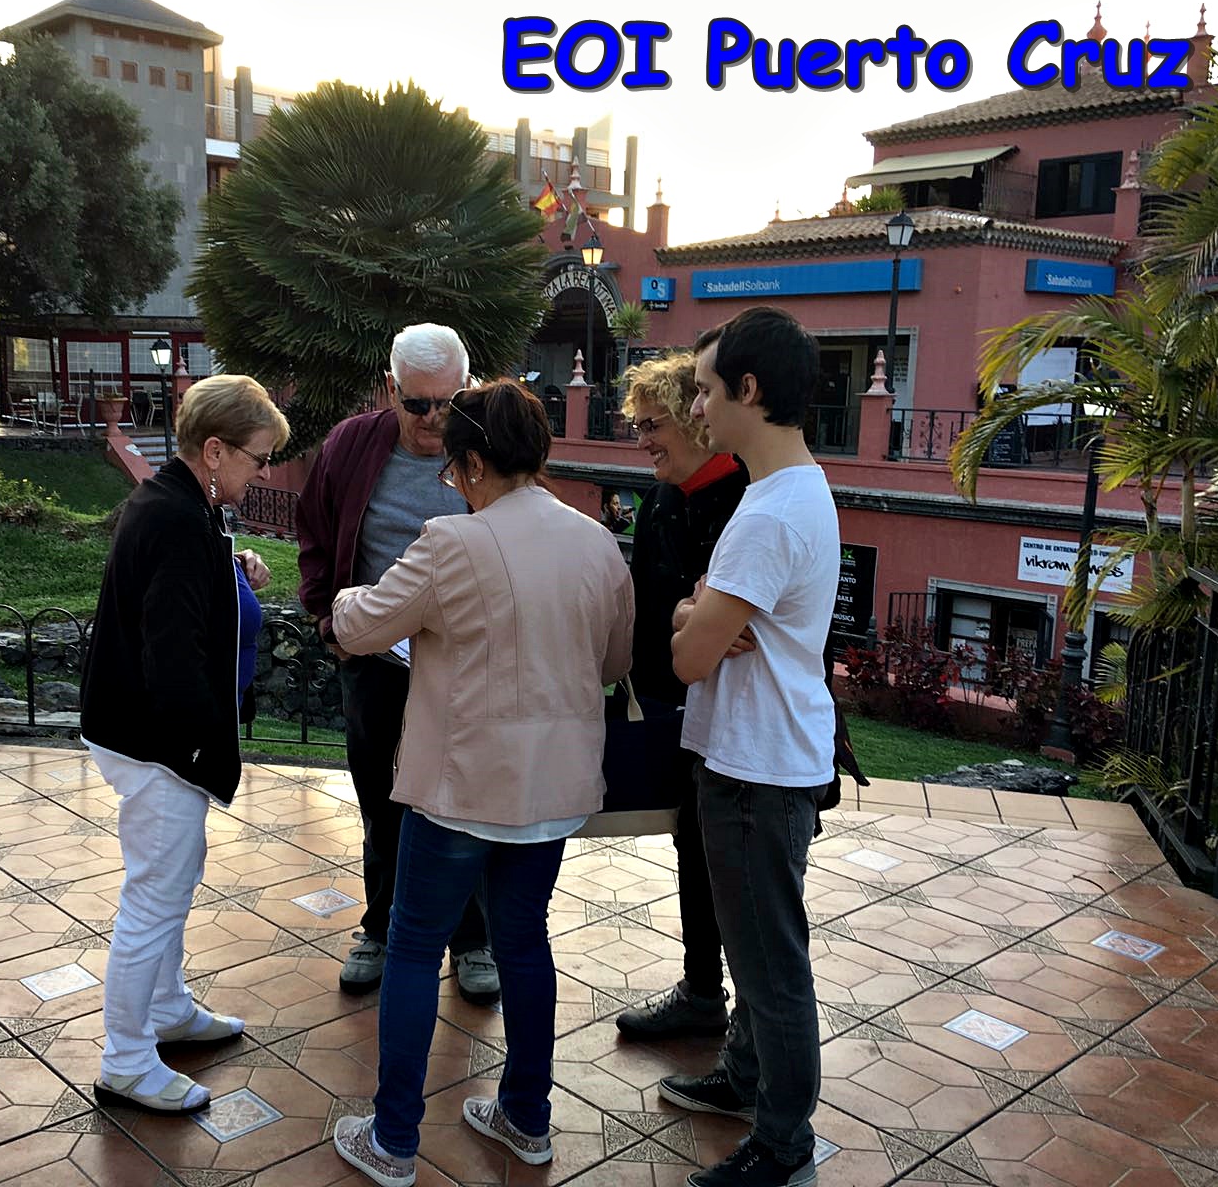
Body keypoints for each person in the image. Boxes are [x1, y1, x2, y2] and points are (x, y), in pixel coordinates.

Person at [326, 380, 633, 1187]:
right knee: (525, 943)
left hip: (459, 788)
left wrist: (349, 595)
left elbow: (361, 625)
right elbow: (613, 662)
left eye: (453, 470)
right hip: (553, 789)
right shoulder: (597, 542)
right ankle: (527, 1118)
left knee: (413, 947)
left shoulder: (450, 541)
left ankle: (394, 1139)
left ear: (468, 463)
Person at [78, 374, 289, 1115]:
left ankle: (165, 1009)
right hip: (158, 746)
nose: (265, 474)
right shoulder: (175, 519)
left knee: (171, 882)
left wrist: (231, 568)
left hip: (154, 741)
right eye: (259, 458)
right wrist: (196, 753)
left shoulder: (183, 505)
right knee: (153, 900)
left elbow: (183, 592)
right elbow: (170, 654)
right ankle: (127, 1060)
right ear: (215, 451)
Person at [662, 307, 838, 1187]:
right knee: (755, 947)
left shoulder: (770, 516)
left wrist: (692, 618)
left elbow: (688, 658)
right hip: (763, 758)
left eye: (704, 390)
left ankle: (783, 1141)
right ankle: (744, 1078)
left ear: (750, 390)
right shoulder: (790, 492)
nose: (696, 408)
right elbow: (695, 626)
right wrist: (693, 611)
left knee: (770, 966)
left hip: (756, 769)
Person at [296, 323, 498, 1001]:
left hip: (466, 665)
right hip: (376, 660)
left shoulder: (487, 447)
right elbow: (315, 531)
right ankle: (380, 928)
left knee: (466, 802)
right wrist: (325, 619)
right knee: (380, 802)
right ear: (390, 389)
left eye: (448, 402)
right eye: (417, 404)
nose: (434, 418)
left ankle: (472, 940)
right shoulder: (352, 445)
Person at [612, 353, 750, 1040]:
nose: (642, 440)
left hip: (744, 721)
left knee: (742, 873)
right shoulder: (665, 498)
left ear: (695, 419)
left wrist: (694, 620)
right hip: (678, 709)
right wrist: (684, 618)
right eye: (637, 426)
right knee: (694, 850)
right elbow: (664, 606)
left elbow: (740, 630)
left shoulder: (747, 497)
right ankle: (703, 991)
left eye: (652, 425)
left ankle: (749, 1027)